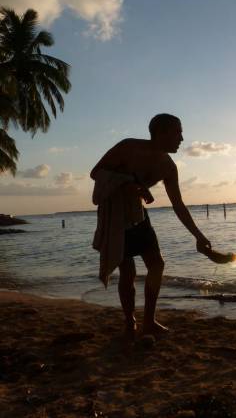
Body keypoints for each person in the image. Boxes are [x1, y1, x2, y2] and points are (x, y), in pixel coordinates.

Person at [90, 113, 211, 336]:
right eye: (178, 132)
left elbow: (178, 205)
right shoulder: (128, 147)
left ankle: (149, 321)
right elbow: (96, 172)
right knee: (128, 271)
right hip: (116, 215)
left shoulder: (168, 167)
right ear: (161, 132)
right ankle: (129, 321)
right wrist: (130, 185)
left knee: (157, 265)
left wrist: (199, 236)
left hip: (139, 215)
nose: (182, 138)